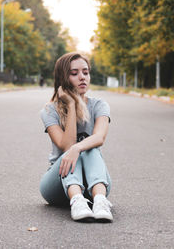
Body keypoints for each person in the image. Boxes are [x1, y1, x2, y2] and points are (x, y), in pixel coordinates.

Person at [39, 52, 113, 222]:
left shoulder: (99, 105)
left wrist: (78, 147)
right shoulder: (50, 111)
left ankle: (101, 202)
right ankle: (77, 201)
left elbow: (99, 137)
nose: (82, 77)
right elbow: (66, 146)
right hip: (57, 184)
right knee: (72, 151)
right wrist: (71, 105)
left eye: (85, 72)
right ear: (63, 78)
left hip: (95, 184)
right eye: (74, 73)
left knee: (89, 147)